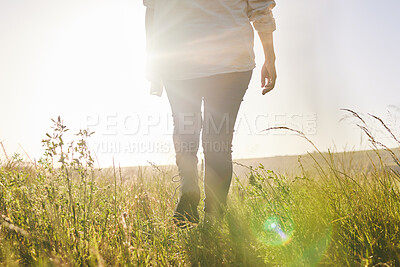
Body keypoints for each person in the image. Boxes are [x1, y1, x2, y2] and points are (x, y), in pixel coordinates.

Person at [143, 0, 277, 226]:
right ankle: (213, 222)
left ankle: (189, 186)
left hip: (178, 60)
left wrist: (152, 62)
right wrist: (270, 58)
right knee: (219, 140)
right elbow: (260, 9)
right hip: (230, 60)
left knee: (186, 130)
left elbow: (152, 11)